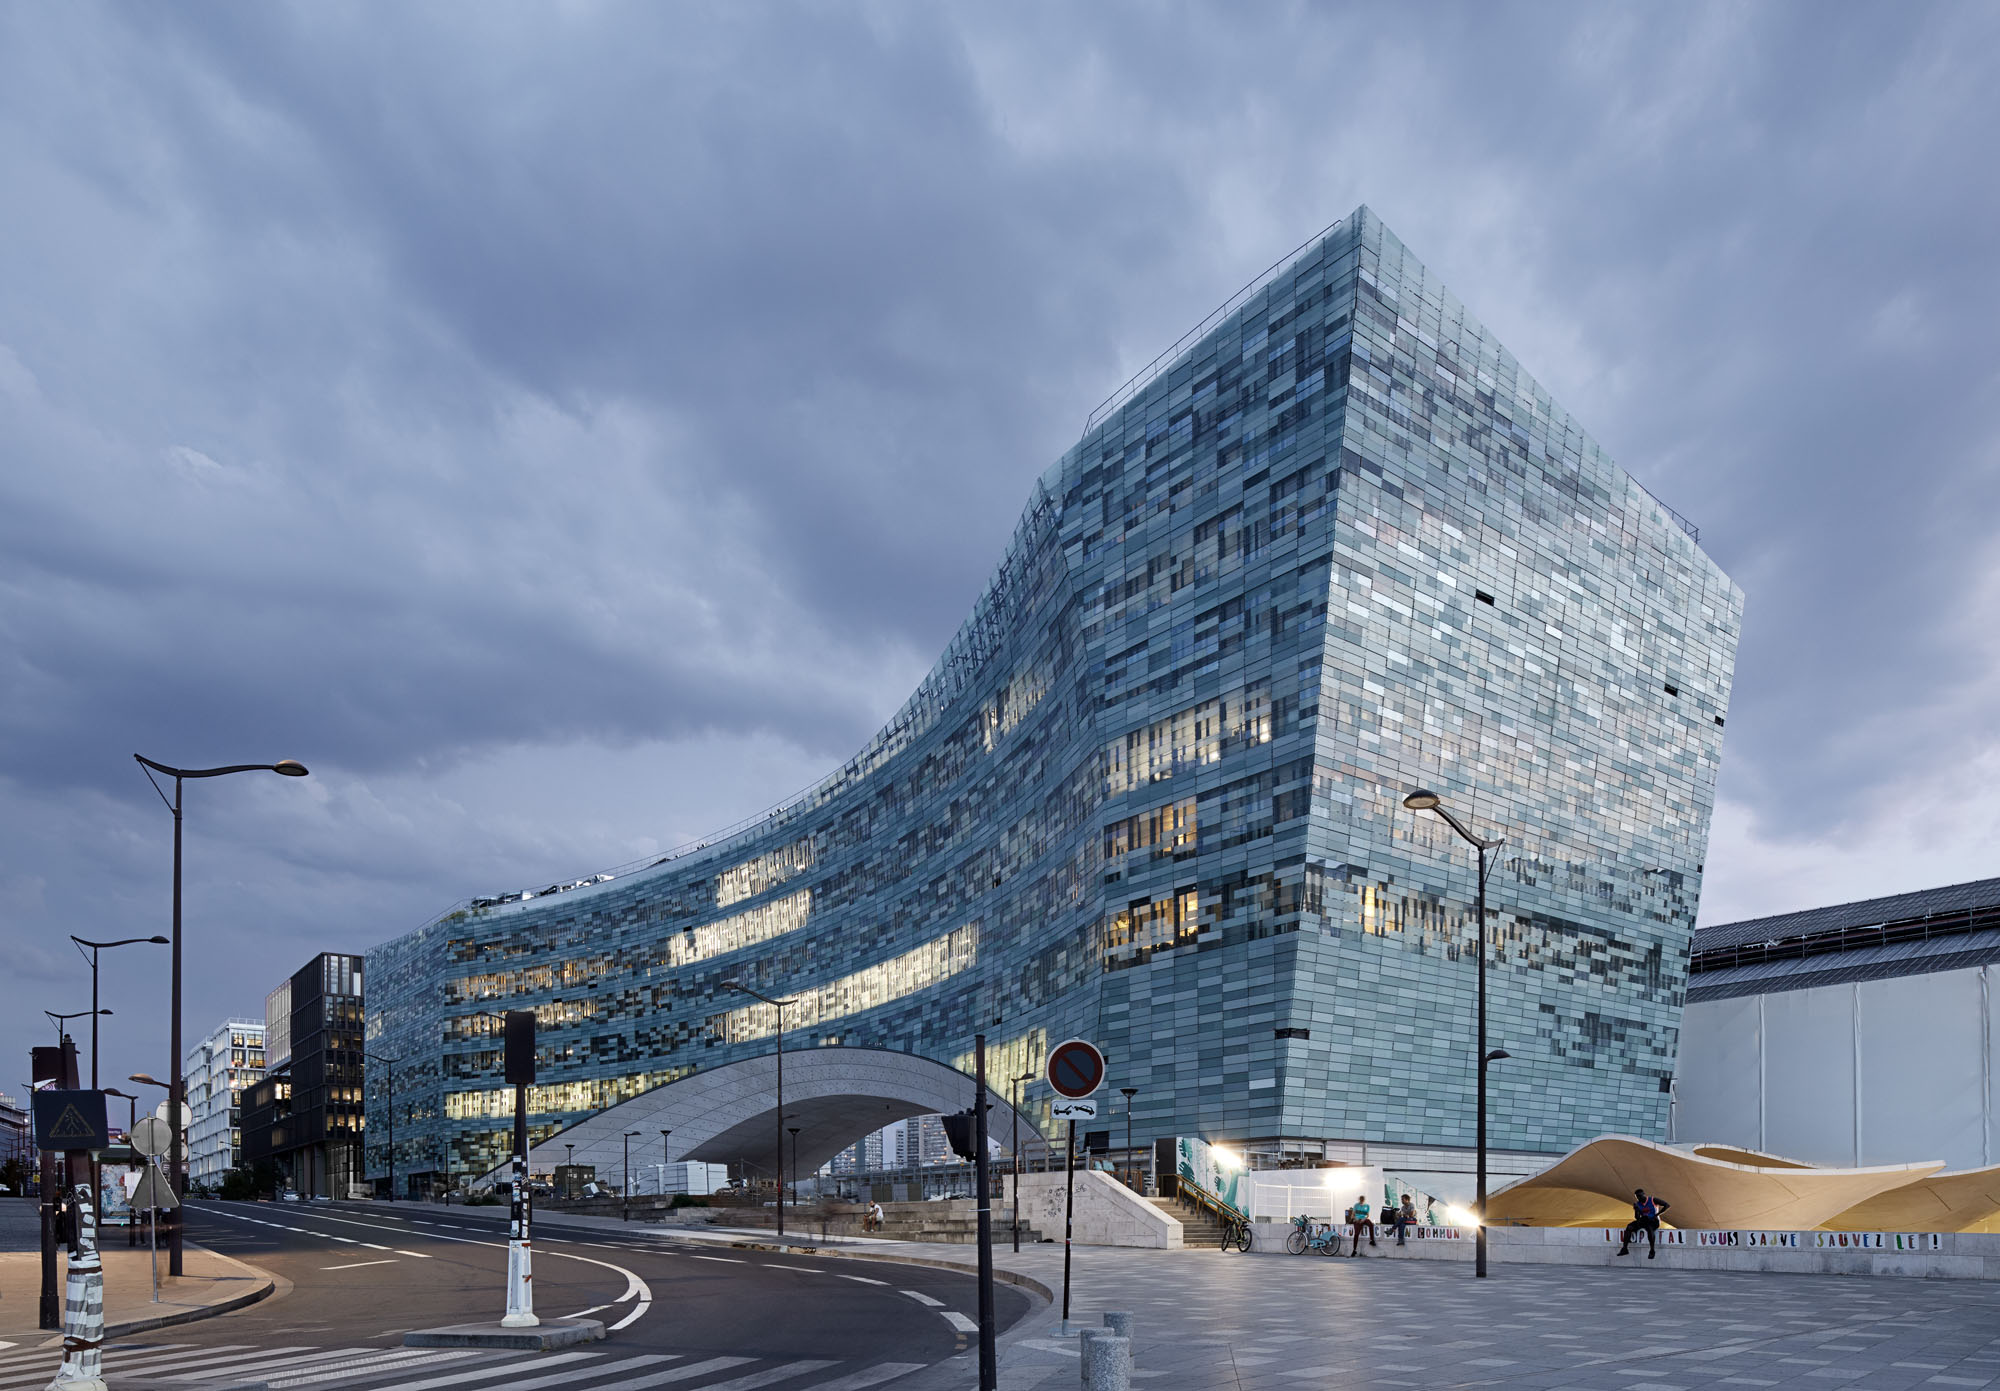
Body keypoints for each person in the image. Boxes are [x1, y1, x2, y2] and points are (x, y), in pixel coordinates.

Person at [1618, 1188, 1671, 1258]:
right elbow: (1637, 1217)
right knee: (1629, 1227)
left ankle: (1652, 1250)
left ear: (1644, 1194)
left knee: (1649, 1228)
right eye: (1637, 1197)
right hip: (1644, 1220)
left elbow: (1667, 1205)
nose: (1639, 1198)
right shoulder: (1637, 1204)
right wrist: (1636, 1210)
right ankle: (1624, 1249)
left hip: (1653, 1221)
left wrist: (1657, 1215)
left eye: (1640, 1196)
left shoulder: (1652, 1200)